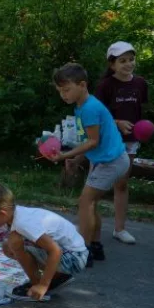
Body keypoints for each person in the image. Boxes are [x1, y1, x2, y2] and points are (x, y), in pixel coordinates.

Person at [49, 63, 129, 266]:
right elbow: (93, 142)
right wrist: (76, 159)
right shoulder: (82, 107)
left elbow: (93, 141)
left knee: (85, 202)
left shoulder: (89, 109)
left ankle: (81, 251)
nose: (63, 95)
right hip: (106, 160)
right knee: (91, 203)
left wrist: (64, 155)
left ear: (82, 85)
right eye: (60, 91)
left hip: (111, 162)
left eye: (66, 90)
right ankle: (94, 247)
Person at [0, 183, 86, 301]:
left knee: (14, 242)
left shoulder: (23, 223)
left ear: (2, 213)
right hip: (69, 254)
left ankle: (38, 284)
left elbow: (55, 250)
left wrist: (43, 285)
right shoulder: (7, 218)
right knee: (7, 245)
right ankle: (55, 277)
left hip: (74, 257)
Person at [94, 41, 147, 245]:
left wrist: (142, 129)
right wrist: (116, 123)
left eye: (131, 60)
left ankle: (119, 229)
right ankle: (88, 223)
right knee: (97, 185)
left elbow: (139, 111)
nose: (128, 64)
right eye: (122, 61)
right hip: (107, 141)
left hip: (130, 142)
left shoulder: (141, 83)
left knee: (122, 183)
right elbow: (97, 114)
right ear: (112, 65)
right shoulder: (105, 86)